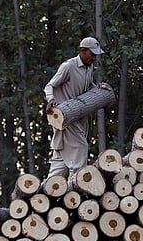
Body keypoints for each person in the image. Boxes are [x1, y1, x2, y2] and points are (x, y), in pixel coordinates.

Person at [43, 36, 105, 183]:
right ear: (83, 51)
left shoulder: (89, 68)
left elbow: (88, 87)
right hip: (64, 116)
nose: (94, 58)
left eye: (96, 55)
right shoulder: (68, 67)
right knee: (81, 148)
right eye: (92, 54)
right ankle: (78, 186)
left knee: (60, 163)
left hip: (79, 117)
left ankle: (41, 194)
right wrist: (50, 99)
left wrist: (100, 92)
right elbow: (49, 85)